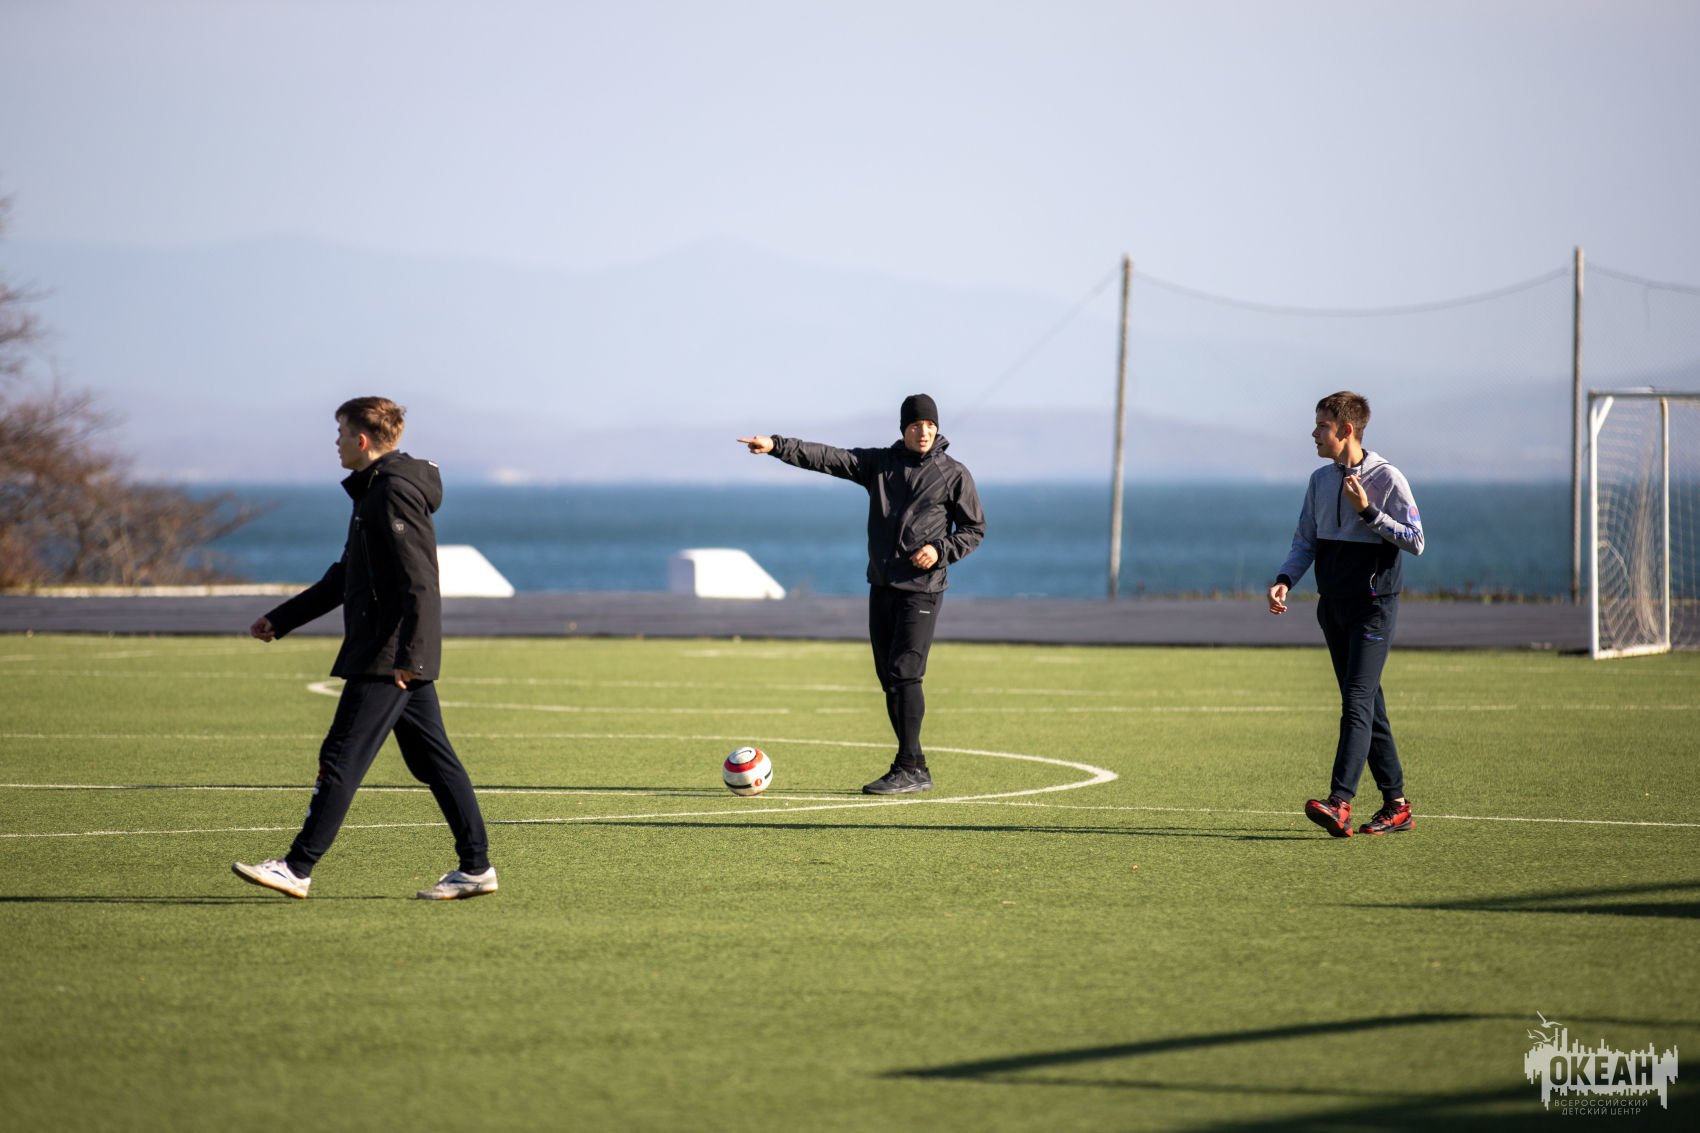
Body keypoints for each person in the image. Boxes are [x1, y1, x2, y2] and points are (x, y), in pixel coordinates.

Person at [232, 397, 497, 899]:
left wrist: (412, 658)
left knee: (341, 756)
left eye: (339, 434)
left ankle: (296, 867)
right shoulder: (372, 490)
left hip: (388, 655)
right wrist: (281, 619)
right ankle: (476, 867)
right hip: (390, 652)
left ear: (361, 439)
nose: (334, 443)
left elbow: (421, 581)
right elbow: (346, 575)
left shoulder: (392, 491)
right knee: (434, 762)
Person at [738, 394, 986, 794]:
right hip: (882, 585)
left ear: (937, 429)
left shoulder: (953, 474)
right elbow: (828, 457)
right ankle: (914, 765)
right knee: (889, 678)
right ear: (903, 429)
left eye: (930, 425)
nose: (923, 432)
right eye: (916, 425)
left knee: (905, 673)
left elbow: (974, 530)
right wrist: (776, 446)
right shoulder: (880, 465)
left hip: (922, 590)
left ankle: (909, 766)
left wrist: (940, 550)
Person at [1267, 391, 1425, 837]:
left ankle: (1340, 802)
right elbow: (1305, 542)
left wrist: (1368, 512)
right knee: (1368, 705)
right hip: (1332, 607)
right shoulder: (1319, 480)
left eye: (1322, 425)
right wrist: (1285, 579)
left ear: (1346, 429)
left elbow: (1416, 541)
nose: (1314, 433)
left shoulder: (1388, 478)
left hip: (1373, 610)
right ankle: (1397, 805)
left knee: (1356, 701)